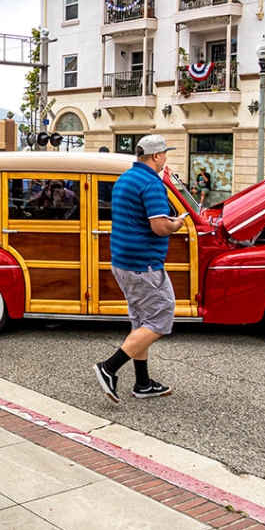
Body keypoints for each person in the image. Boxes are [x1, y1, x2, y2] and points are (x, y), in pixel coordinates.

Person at [93, 134, 186, 403]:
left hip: (123, 261)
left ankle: (143, 384)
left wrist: (163, 220)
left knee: (141, 322)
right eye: (165, 153)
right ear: (156, 156)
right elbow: (158, 227)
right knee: (159, 320)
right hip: (144, 264)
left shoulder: (125, 179)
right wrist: (176, 224)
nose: (166, 158)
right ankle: (109, 368)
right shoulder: (152, 183)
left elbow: (139, 218)